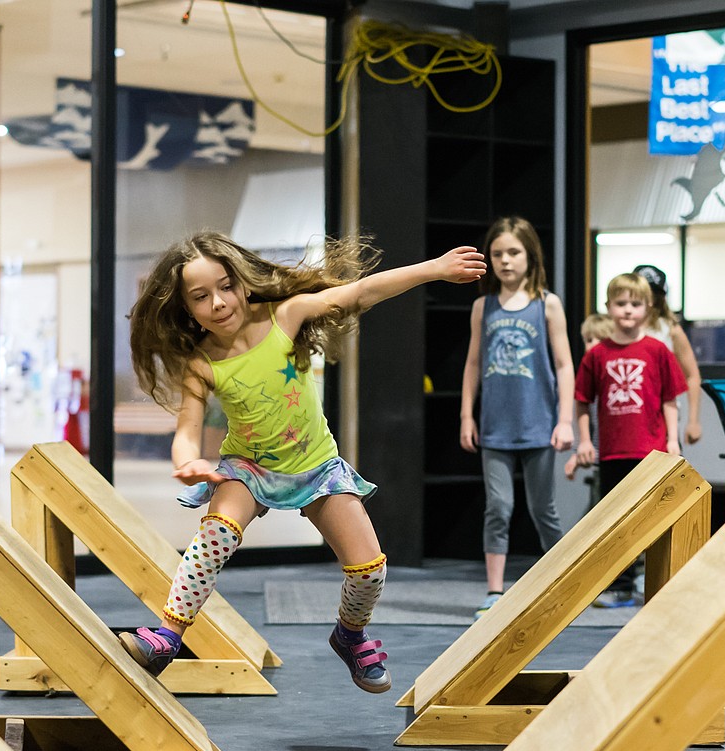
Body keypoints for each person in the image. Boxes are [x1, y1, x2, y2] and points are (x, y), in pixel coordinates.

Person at [124, 231, 487, 693]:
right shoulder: (202, 364)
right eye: (201, 296)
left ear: (243, 282)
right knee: (216, 534)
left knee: (369, 570)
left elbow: (359, 292)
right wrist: (187, 462)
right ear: (185, 308)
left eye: (225, 286)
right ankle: (168, 636)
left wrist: (431, 268)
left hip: (316, 466)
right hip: (249, 468)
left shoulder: (284, 315)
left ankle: (349, 634)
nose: (218, 303)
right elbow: (186, 431)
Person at [459, 216, 575, 620]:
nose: (506, 261)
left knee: (544, 508)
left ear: (530, 256)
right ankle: (494, 590)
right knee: (498, 507)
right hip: (495, 428)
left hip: (539, 425)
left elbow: (563, 365)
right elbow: (473, 363)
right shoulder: (482, 306)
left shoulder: (548, 303)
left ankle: (565, 579)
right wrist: (466, 417)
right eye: (498, 254)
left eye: (514, 253)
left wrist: (565, 420)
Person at [575, 272, 687, 608]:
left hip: (649, 450)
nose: (627, 310)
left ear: (648, 308)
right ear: (608, 307)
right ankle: (620, 585)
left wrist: (673, 441)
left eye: (635, 304)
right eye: (620, 303)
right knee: (616, 520)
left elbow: (670, 398)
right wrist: (584, 441)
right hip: (612, 452)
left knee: (651, 516)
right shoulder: (597, 355)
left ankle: (654, 581)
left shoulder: (657, 351)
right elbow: (582, 400)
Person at [632, 264, 703, 444]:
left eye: (651, 293)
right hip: (628, 419)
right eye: (641, 292)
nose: (646, 298)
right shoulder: (618, 330)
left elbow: (692, 375)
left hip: (662, 419)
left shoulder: (670, 329)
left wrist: (693, 421)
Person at [564, 313, 615, 482]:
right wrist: (578, 453)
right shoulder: (588, 380)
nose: (590, 346)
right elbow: (587, 422)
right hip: (600, 460)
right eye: (588, 340)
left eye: (598, 339)